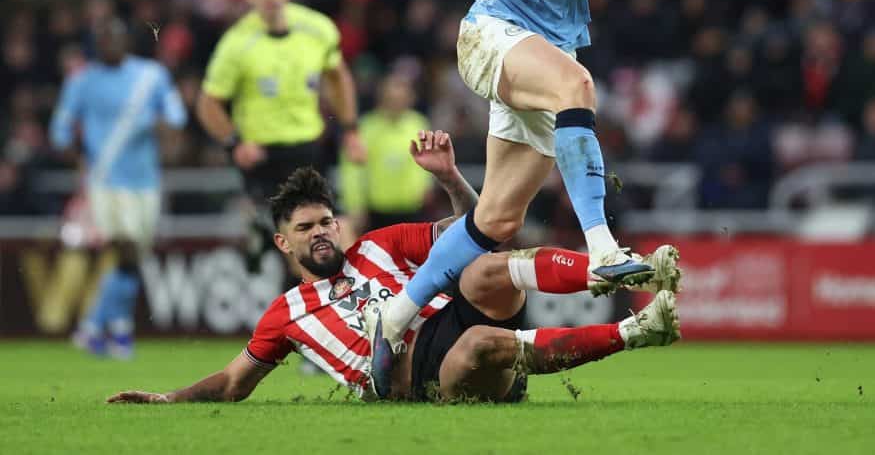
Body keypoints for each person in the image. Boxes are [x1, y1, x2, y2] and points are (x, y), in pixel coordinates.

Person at [339, 0, 652, 395]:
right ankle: (605, 247)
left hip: (542, 48)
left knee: (497, 218)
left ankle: (395, 315)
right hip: (488, 33)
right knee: (577, 86)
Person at [106, 131, 681, 404]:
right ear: (283, 244)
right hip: (417, 379)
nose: (322, 233)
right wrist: (170, 399)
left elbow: (475, 229)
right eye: (306, 229)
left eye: (326, 221)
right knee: (482, 341)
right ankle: (637, 332)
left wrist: (449, 178)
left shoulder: (379, 245)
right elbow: (234, 383)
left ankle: (617, 269)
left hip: (448, 318)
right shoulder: (286, 315)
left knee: (484, 268)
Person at [196, 0, 366, 265]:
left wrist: (351, 130)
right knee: (301, 246)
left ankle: (262, 238)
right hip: (264, 158)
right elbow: (208, 104)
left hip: (310, 149)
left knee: (340, 237)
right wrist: (235, 143)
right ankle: (263, 237)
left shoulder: (318, 29)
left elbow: (338, 77)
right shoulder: (236, 44)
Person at [49, 17, 187, 357]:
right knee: (124, 247)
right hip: (106, 181)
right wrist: (77, 158)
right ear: (96, 44)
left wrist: (165, 132)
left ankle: (109, 328)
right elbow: (60, 130)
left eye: (116, 37)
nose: (109, 43)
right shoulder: (82, 81)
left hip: (146, 180)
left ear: (127, 41)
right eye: (103, 38)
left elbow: (176, 115)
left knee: (134, 255)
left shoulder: (150, 75)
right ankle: (101, 327)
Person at [339, 72, 431, 243]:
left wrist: (426, 186)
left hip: (412, 208)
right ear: (382, 98)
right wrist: (355, 205)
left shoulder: (418, 124)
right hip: (376, 211)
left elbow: (427, 159)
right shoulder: (366, 127)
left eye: (401, 98)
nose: (397, 103)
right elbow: (352, 170)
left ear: (410, 98)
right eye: (392, 98)